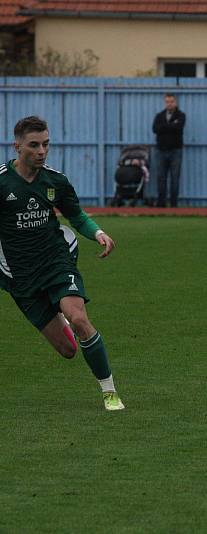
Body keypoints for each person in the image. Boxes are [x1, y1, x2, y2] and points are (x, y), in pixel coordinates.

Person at [0, 116, 124, 411]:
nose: (41, 151)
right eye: (34, 145)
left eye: (46, 144)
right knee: (68, 350)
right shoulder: (2, 182)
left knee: (80, 318)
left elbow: (76, 216)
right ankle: (62, 316)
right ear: (17, 146)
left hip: (56, 261)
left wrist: (99, 233)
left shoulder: (56, 181)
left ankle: (110, 392)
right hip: (20, 276)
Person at [152, 93, 186, 207]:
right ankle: (161, 204)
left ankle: (173, 205)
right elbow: (155, 129)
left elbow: (178, 127)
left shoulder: (181, 115)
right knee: (161, 178)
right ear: (164, 102)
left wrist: (165, 127)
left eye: (171, 101)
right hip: (161, 150)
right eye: (167, 101)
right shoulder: (159, 115)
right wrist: (171, 125)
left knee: (175, 178)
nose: (169, 104)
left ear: (175, 102)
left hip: (176, 151)